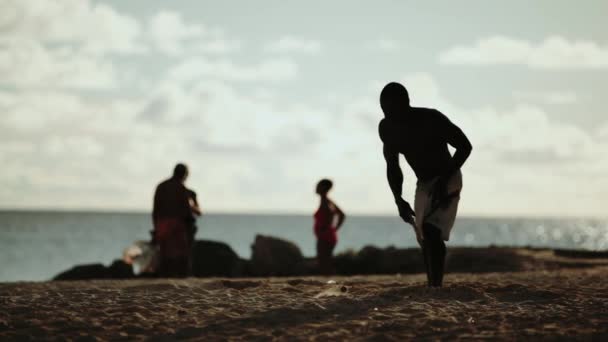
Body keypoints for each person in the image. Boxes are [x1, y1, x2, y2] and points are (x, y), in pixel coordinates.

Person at [378, 82, 472, 287]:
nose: (389, 115)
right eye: (385, 111)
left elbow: (465, 146)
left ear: (406, 103)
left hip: (448, 177)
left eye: (393, 110)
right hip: (423, 183)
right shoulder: (387, 128)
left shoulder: (431, 119)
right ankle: (433, 285)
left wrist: (445, 180)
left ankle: (435, 288)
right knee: (423, 236)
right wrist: (398, 199)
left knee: (431, 231)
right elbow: (392, 165)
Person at [152, 163, 200, 277]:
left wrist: (156, 226)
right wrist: (194, 201)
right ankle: (181, 276)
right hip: (177, 224)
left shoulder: (161, 186)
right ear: (184, 175)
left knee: (165, 253)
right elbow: (190, 211)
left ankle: (164, 276)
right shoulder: (181, 188)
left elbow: (155, 209)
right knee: (181, 254)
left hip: (161, 223)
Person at [313, 179, 346, 275]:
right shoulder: (327, 201)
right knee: (325, 261)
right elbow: (340, 214)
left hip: (325, 236)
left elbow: (339, 215)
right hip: (327, 235)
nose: (316, 188)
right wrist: (333, 228)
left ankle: (330, 282)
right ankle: (329, 281)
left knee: (324, 262)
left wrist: (330, 228)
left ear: (323, 188)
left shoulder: (326, 202)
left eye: (318, 185)